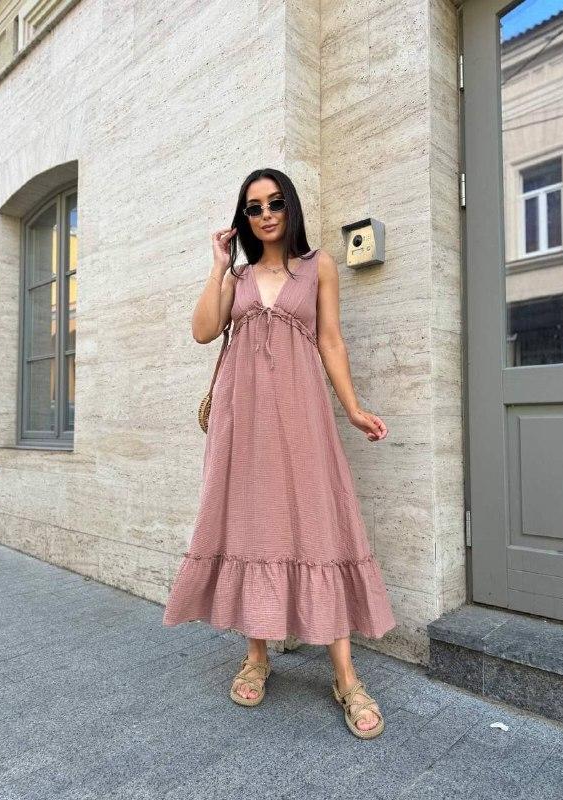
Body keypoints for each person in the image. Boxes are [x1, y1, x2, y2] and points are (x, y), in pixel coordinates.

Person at [163, 168, 397, 739]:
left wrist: (352, 408)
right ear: (244, 218)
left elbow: (331, 340)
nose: (265, 214)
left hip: (301, 414)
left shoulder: (319, 266)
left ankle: (345, 676)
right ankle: (256, 657)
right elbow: (203, 331)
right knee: (251, 527)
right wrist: (218, 265)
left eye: (274, 203)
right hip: (240, 420)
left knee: (320, 525)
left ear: (289, 207)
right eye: (254, 207)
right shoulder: (238, 276)